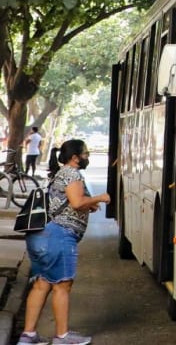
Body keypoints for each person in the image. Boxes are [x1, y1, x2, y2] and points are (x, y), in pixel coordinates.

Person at [19, 139, 111, 345]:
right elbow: (77, 202)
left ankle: (28, 336)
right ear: (75, 157)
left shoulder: (61, 173)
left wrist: (89, 203)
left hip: (41, 235)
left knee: (42, 284)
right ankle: (62, 336)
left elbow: (71, 201)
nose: (88, 157)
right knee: (62, 285)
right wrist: (100, 198)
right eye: (85, 153)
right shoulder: (72, 174)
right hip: (58, 236)